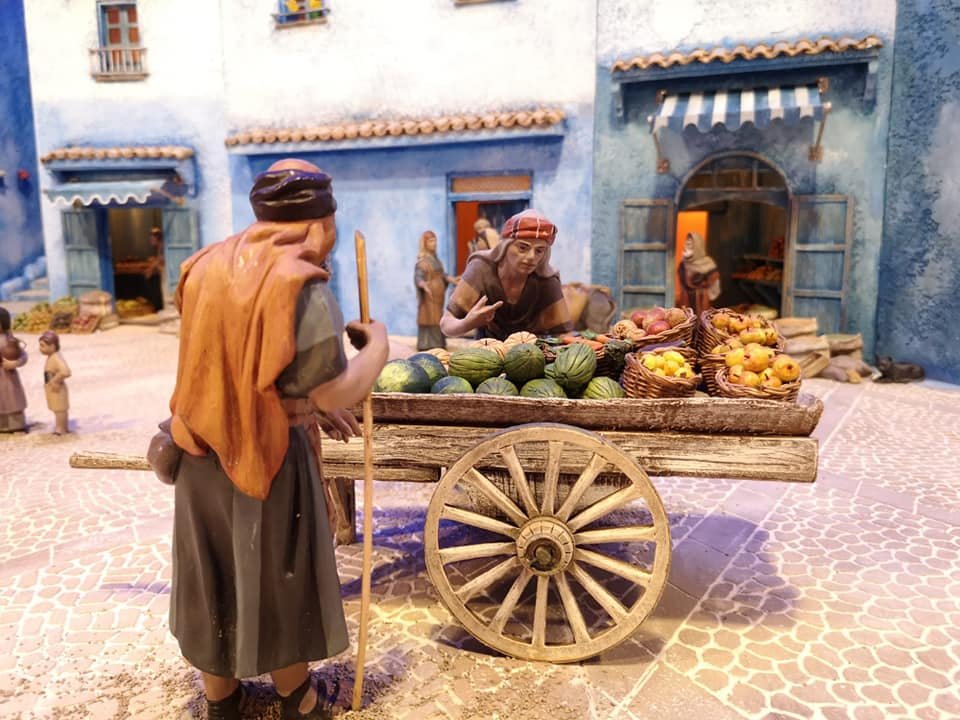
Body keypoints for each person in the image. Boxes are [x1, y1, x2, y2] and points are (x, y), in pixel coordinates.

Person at [159, 159, 389, 720]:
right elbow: (336, 392)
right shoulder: (301, 286)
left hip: (199, 455)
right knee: (281, 573)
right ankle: (296, 697)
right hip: (268, 461)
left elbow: (236, 364)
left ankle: (221, 698)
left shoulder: (203, 265)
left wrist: (300, 401)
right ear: (320, 223)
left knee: (213, 570)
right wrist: (377, 350)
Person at [440, 209, 573, 340]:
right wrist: (467, 323)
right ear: (505, 246)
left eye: (539, 250)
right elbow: (446, 324)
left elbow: (564, 334)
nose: (531, 257)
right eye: (522, 247)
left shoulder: (547, 281)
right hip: (487, 352)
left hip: (531, 354)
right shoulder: (481, 269)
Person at [414, 230, 455, 350]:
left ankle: (439, 343)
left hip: (438, 297)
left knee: (438, 318)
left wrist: (451, 279)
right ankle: (427, 344)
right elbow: (418, 277)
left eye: (435, 240)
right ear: (425, 243)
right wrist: (423, 285)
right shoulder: (422, 262)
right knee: (429, 318)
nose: (434, 243)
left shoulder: (436, 259)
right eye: (431, 241)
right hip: (429, 296)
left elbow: (442, 274)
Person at [677, 231, 721, 315]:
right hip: (686, 301)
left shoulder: (708, 263)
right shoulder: (683, 264)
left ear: (697, 246)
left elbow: (714, 287)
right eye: (686, 244)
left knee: (703, 323)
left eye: (690, 244)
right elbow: (682, 284)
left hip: (702, 301)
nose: (686, 246)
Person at [0, 306, 28, 433]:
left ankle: (15, 424)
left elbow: (23, 355)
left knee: (12, 399)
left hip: (8, 377)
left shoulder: (10, 340)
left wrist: (15, 363)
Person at [39, 331, 71, 435]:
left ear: (52, 346)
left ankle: (61, 429)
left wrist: (55, 380)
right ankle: (62, 427)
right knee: (57, 409)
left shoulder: (56, 358)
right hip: (52, 387)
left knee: (60, 410)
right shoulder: (52, 357)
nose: (40, 349)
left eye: (42, 346)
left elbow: (66, 371)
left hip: (57, 388)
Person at [142, 226, 165, 312]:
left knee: (163, 292)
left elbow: (160, 260)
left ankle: (160, 308)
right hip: (161, 272)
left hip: (165, 273)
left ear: (157, 238)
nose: (151, 241)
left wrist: (150, 270)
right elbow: (158, 260)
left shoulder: (162, 246)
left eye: (152, 239)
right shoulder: (160, 246)